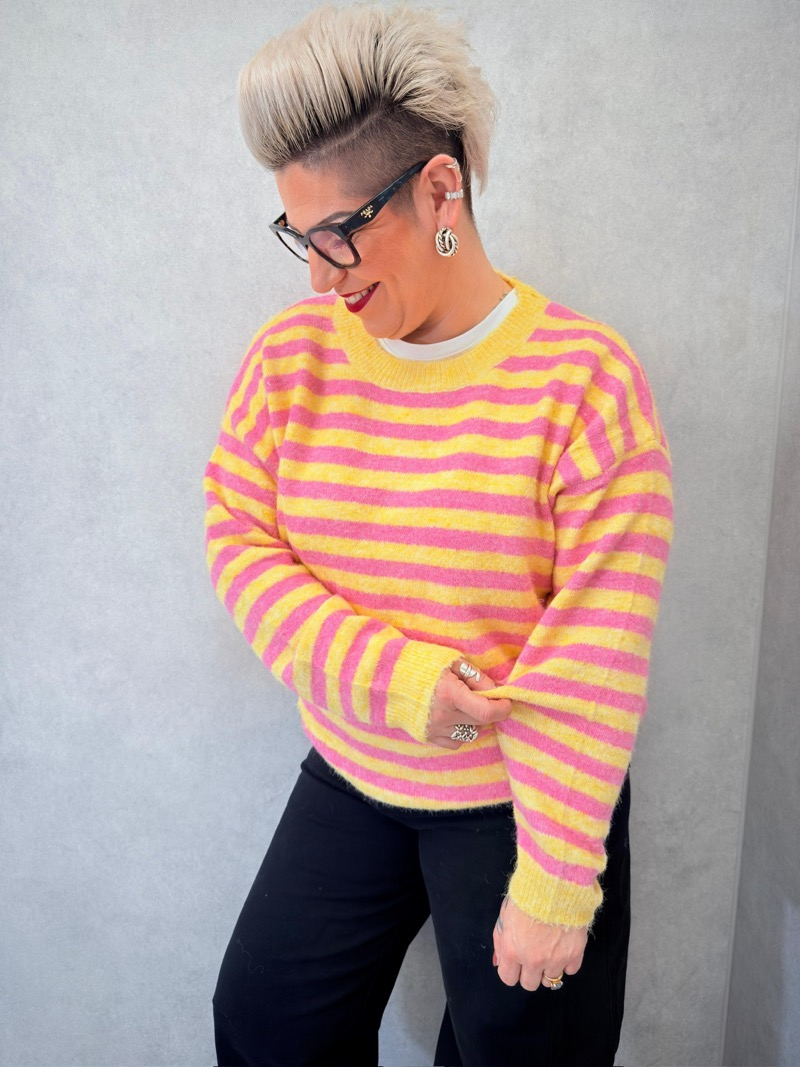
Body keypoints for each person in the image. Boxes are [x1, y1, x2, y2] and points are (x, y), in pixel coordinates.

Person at [204, 5, 673, 1065]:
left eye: (339, 233)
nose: (319, 274)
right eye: (300, 237)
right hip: (354, 762)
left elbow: (596, 652)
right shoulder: (291, 360)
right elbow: (240, 538)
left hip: (523, 795)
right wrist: (401, 682)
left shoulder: (583, 384)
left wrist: (556, 880)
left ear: (438, 190)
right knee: (266, 1026)